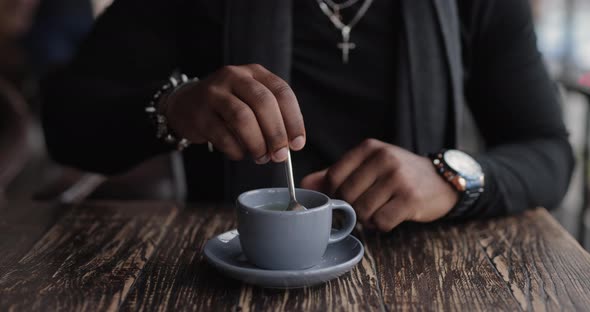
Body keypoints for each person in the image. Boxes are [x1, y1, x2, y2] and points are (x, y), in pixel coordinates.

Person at [42, 0, 574, 232]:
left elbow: (548, 152)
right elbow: (68, 124)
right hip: (230, 278)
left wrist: (448, 177)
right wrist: (174, 107)